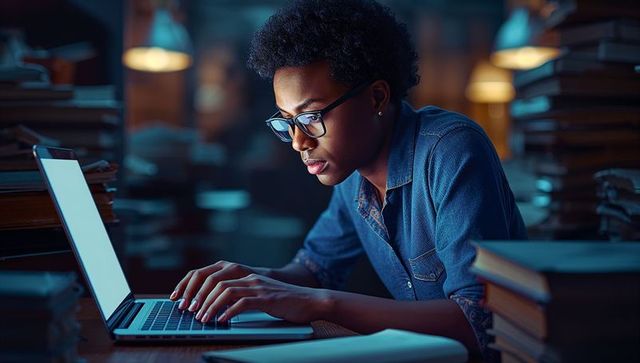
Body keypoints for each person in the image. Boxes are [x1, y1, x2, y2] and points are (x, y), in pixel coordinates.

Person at [169, 0, 527, 360]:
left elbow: (477, 323)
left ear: (376, 97)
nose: (299, 141)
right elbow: (314, 270)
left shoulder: (451, 150)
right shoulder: (352, 173)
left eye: (311, 117)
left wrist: (320, 304)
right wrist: (251, 281)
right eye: (288, 121)